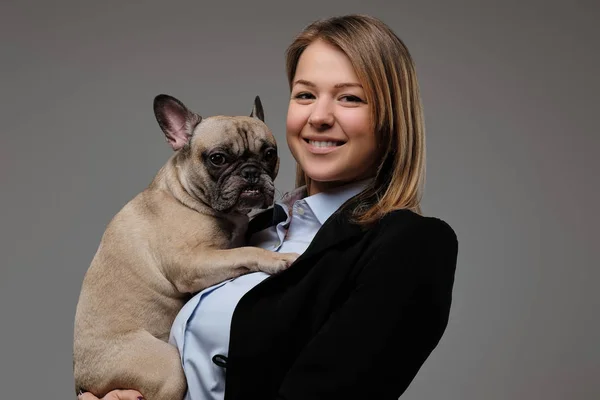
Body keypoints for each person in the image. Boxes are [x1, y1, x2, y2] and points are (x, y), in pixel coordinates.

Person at [80, 14, 458, 400]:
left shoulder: (412, 246)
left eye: (350, 98)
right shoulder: (254, 230)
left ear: (391, 119)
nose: (320, 116)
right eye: (305, 95)